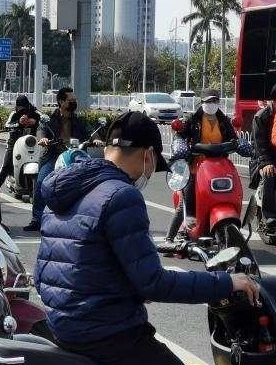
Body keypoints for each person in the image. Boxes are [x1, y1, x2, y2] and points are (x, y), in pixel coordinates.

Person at [35, 111, 260, 365]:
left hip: (63, 326)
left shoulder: (65, 189)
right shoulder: (121, 196)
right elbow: (154, 283)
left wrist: (129, 289)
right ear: (148, 155)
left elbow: (55, 272)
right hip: (106, 333)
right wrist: (226, 283)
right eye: (154, 164)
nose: (151, 171)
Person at [161, 88, 238, 245]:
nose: (212, 104)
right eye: (208, 101)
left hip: (219, 165)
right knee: (186, 199)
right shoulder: (192, 120)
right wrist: (180, 144)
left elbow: (234, 138)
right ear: (202, 102)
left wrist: (240, 145)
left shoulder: (223, 121)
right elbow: (181, 134)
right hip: (196, 164)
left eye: (215, 101)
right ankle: (169, 237)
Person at [23, 87, 91, 231]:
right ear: (61, 101)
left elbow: (89, 133)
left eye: (75, 100)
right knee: (42, 181)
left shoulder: (78, 120)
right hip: (53, 156)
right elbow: (41, 131)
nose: (74, 103)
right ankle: (36, 218)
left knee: (90, 181)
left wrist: (96, 140)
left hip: (74, 156)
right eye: (70, 100)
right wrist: (43, 139)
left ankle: (87, 217)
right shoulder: (49, 119)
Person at [0, 95, 40, 187]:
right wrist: (18, 123)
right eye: (20, 108)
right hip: (14, 143)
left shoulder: (35, 113)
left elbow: (46, 121)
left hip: (32, 144)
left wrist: (35, 122)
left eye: (24, 108)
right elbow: (7, 125)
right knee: (6, 166)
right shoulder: (14, 114)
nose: (22, 111)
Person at [250, 84, 276, 233]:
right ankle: (269, 217)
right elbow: (259, 145)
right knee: (269, 174)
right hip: (264, 159)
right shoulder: (261, 117)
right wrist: (266, 163)